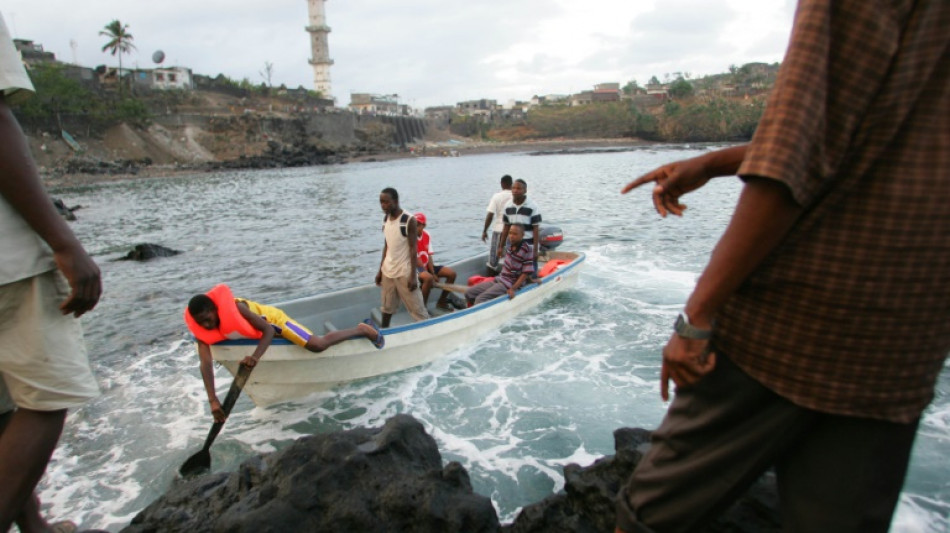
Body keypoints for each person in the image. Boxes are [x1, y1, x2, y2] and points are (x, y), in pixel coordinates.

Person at [615, 1, 949, 532]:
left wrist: (696, 318)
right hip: (904, 338)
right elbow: (872, 135)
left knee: (649, 519)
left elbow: (794, 155)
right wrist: (714, 161)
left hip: (792, 327)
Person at [0, 12, 103, 533]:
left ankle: (33, 523)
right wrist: (63, 240)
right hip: (6, 260)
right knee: (48, 395)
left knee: (6, 401)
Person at [184, 284, 384, 422]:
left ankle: (362, 330)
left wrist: (255, 357)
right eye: (201, 323)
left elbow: (269, 330)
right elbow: (205, 363)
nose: (206, 325)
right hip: (259, 334)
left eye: (207, 319)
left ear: (214, 309)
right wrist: (213, 400)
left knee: (317, 345)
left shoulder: (238, 308)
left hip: (276, 323)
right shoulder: (204, 331)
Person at [375, 188, 429, 327]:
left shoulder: (408, 220)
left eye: (386, 202)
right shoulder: (385, 219)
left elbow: (413, 249)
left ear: (396, 201)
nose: (383, 205)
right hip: (388, 272)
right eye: (381, 202)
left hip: (405, 272)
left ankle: (426, 332)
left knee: (418, 311)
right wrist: (380, 271)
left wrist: (412, 276)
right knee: (387, 308)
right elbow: (387, 246)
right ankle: (384, 332)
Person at [466, 225, 535, 306]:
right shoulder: (510, 246)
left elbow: (525, 272)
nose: (511, 236)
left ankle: (481, 313)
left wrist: (513, 289)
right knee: (469, 293)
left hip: (509, 284)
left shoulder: (527, 249)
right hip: (500, 279)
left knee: (480, 299)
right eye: (510, 233)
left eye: (515, 234)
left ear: (522, 235)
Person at [496, 179, 541, 276]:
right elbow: (506, 228)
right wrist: (500, 246)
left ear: (525, 191)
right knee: (511, 270)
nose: (515, 190)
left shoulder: (532, 206)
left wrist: (536, 250)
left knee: (530, 272)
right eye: (513, 188)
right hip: (512, 244)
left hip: (528, 244)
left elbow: (536, 229)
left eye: (519, 188)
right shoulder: (507, 206)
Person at [414, 213, 457, 311]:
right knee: (428, 279)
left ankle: (441, 302)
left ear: (423, 226)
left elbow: (429, 256)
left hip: (426, 266)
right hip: (416, 269)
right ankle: (422, 309)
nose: (415, 227)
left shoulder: (427, 235)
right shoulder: (411, 238)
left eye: (417, 225)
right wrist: (430, 276)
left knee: (451, 274)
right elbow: (418, 262)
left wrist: (433, 272)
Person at [481, 174, 513, 273]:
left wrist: (485, 231)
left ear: (502, 184)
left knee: (493, 260)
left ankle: (490, 279)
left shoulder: (497, 196)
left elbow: (490, 215)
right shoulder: (516, 196)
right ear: (511, 184)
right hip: (513, 232)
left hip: (498, 230)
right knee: (511, 258)